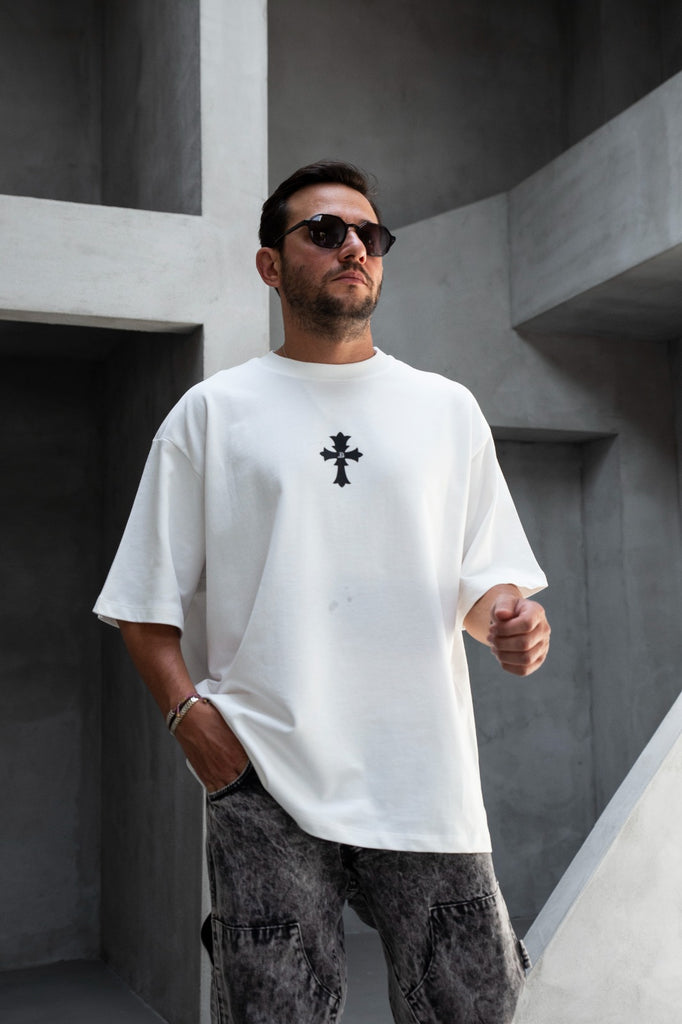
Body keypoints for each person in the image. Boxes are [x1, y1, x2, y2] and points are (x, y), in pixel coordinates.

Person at [94, 160, 550, 1024]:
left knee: (476, 1009)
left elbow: (485, 586)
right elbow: (143, 604)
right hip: (265, 778)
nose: (354, 247)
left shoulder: (446, 410)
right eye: (325, 231)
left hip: (424, 773)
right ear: (270, 264)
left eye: (369, 234)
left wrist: (513, 625)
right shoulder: (211, 414)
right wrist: (192, 723)